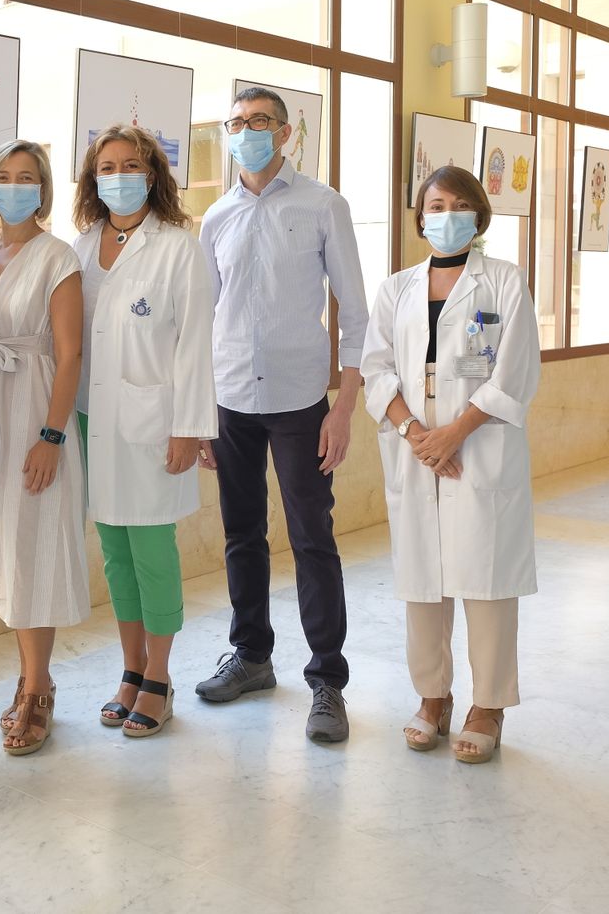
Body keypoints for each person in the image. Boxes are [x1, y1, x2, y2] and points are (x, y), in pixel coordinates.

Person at [194, 86, 369, 744]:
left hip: (302, 404)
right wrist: (201, 412)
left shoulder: (323, 206)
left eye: (260, 121)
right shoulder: (214, 219)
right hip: (231, 402)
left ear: (286, 132)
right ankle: (253, 658)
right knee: (241, 536)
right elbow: (203, 325)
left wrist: (344, 407)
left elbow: (355, 316)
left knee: (313, 541)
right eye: (237, 123)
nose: (248, 132)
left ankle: (327, 681)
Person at [360, 165, 540, 764]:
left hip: (479, 439)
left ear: (479, 215)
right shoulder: (396, 289)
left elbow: (514, 371)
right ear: (419, 216)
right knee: (422, 579)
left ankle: (487, 704)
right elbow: (376, 370)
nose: (447, 215)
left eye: (460, 204)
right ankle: (432, 697)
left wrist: (455, 433)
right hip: (415, 442)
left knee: (485, 576)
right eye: (436, 204)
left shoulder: (506, 283)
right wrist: (417, 434)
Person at [73, 123, 217, 738]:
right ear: (92, 178)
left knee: (153, 553)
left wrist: (190, 427)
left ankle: (158, 676)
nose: (119, 176)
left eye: (131, 165)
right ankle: (129, 670)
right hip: (89, 419)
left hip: (154, 424)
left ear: (153, 174)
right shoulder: (79, 246)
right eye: (106, 167)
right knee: (115, 553)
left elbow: (194, 346)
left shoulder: (178, 248)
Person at [0, 140, 87, 756]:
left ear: (43, 189)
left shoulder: (57, 257)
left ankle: (37, 690)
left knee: (33, 545)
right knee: (6, 550)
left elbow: (70, 357)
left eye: (27, 177)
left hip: (34, 412)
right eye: (3, 176)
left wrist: (52, 436)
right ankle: (28, 677)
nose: (14, 186)